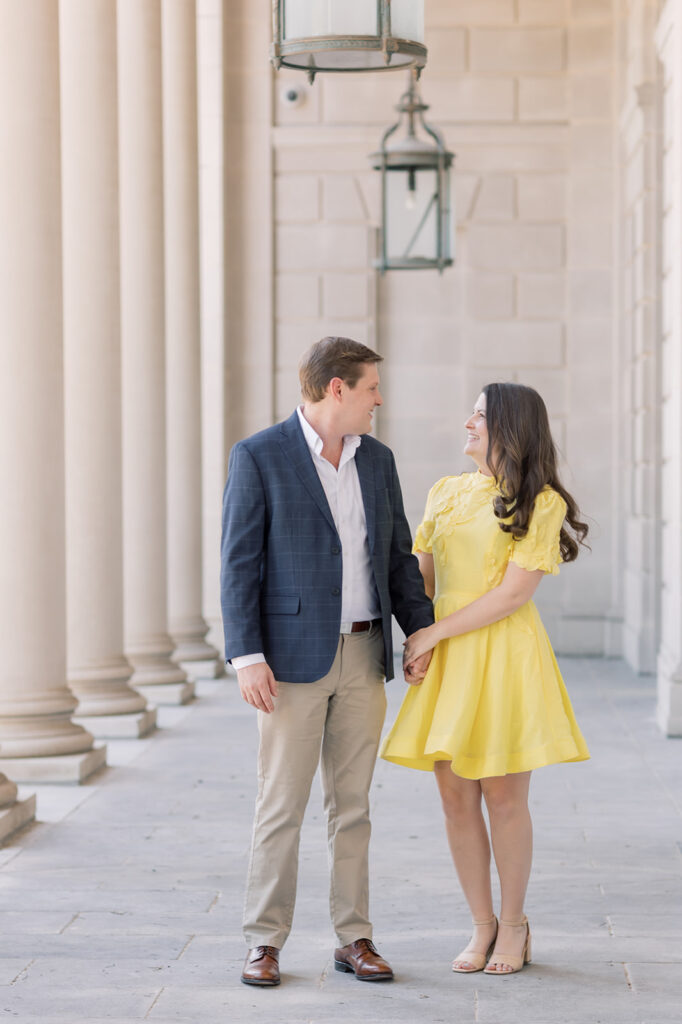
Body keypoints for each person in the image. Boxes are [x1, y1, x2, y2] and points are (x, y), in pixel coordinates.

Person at [221, 336, 435, 987]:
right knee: (280, 804)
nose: (379, 399)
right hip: (288, 662)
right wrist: (246, 655)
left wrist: (418, 631)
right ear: (336, 389)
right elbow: (238, 563)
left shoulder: (379, 462)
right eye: (371, 387)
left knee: (353, 806)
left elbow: (398, 555)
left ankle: (354, 937)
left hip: (364, 653)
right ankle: (264, 941)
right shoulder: (259, 456)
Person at [380, 382, 590, 976]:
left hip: (502, 654)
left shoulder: (539, 501)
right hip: (447, 656)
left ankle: (515, 924)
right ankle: (481, 922)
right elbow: (421, 578)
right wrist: (415, 635)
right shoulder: (444, 492)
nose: (468, 421)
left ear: (509, 428)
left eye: (480, 414)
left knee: (502, 794)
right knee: (453, 796)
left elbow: (512, 595)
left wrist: (433, 635)